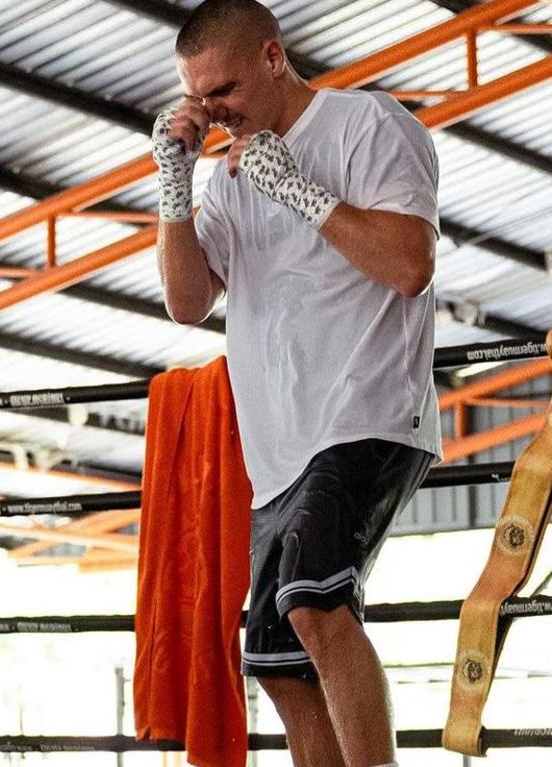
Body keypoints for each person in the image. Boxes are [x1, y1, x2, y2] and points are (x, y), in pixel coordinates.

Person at [152, 2, 442, 766]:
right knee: (277, 662)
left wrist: (304, 195)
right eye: (198, 95)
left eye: (224, 88)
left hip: (368, 409)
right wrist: (175, 183)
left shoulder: (365, 124)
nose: (211, 110)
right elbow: (186, 303)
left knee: (314, 600)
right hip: (278, 447)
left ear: (274, 58)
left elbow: (410, 265)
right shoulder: (229, 174)